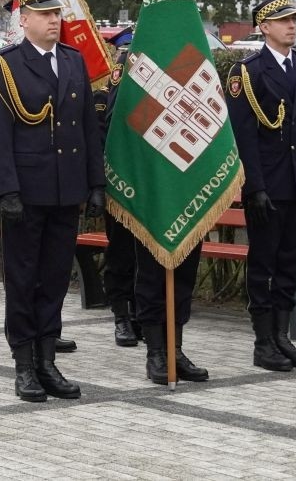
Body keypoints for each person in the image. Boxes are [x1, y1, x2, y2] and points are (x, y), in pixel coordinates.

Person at [0, 0, 104, 402]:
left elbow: (87, 126)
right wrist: (7, 191)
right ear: (26, 19)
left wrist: (94, 183)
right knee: (23, 279)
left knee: (54, 278)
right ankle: (24, 364)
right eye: (47, 15)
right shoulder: (6, 65)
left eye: (57, 14)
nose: (55, 21)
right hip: (27, 193)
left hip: (65, 190)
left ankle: (48, 359)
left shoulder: (72, 61)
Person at [96, 26, 208, 384]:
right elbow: (116, 130)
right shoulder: (131, 76)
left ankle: (176, 348)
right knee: (150, 275)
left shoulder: (189, 69)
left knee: (184, 275)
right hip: (150, 191)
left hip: (184, 186)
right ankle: (157, 352)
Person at [227, 0, 296, 372]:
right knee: (264, 263)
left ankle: (282, 337)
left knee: (289, 262)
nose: (292, 26)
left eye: (294, 20)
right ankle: (262, 342)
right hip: (267, 186)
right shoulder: (248, 72)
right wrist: (254, 187)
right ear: (264, 27)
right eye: (284, 21)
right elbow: (244, 136)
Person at [94, 25, 140, 348]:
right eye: (123, 54)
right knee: (121, 252)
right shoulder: (106, 90)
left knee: (145, 254)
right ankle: (122, 315)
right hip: (121, 181)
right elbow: (105, 133)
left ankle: (140, 313)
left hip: (148, 182)